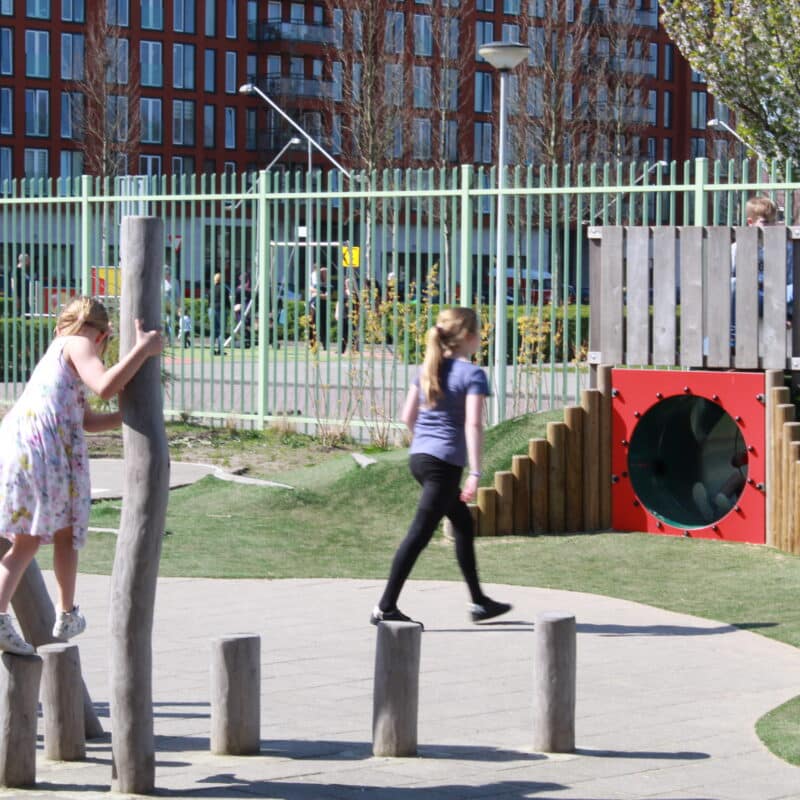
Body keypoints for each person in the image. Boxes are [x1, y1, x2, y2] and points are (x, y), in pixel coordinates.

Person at [0, 297, 163, 655]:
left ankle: (66, 611)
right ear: (103, 335)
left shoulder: (58, 356)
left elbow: (87, 419)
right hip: (40, 448)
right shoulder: (78, 343)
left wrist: (131, 414)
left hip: (28, 444)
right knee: (27, 539)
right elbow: (104, 385)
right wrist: (143, 350)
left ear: (59, 324)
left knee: (65, 528)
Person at [371, 307, 512, 628]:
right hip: (443, 465)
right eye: (480, 332)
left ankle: (479, 602)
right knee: (419, 534)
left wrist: (426, 442)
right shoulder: (472, 374)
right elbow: (474, 424)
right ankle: (385, 606)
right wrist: (475, 472)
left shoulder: (426, 368)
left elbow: (407, 417)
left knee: (462, 523)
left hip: (419, 458)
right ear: (469, 338)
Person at [208, 272, 231, 355]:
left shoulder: (211, 289)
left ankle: (212, 350)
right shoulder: (224, 289)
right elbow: (227, 301)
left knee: (213, 331)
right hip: (221, 310)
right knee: (221, 331)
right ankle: (220, 350)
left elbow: (209, 301)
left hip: (212, 309)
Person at [308, 264, 329, 350]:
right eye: (323, 272)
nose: (325, 274)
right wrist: (319, 293)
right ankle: (312, 343)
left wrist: (318, 294)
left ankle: (324, 344)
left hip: (323, 306)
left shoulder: (328, 285)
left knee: (323, 325)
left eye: (326, 273)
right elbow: (311, 289)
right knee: (312, 324)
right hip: (314, 305)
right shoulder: (315, 282)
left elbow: (327, 296)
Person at [163, 267, 177, 345]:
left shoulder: (174, 282)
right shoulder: (161, 282)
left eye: (168, 273)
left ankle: (170, 340)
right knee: (163, 323)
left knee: (170, 322)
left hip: (171, 306)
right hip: (162, 306)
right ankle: (165, 339)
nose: (167, 275)